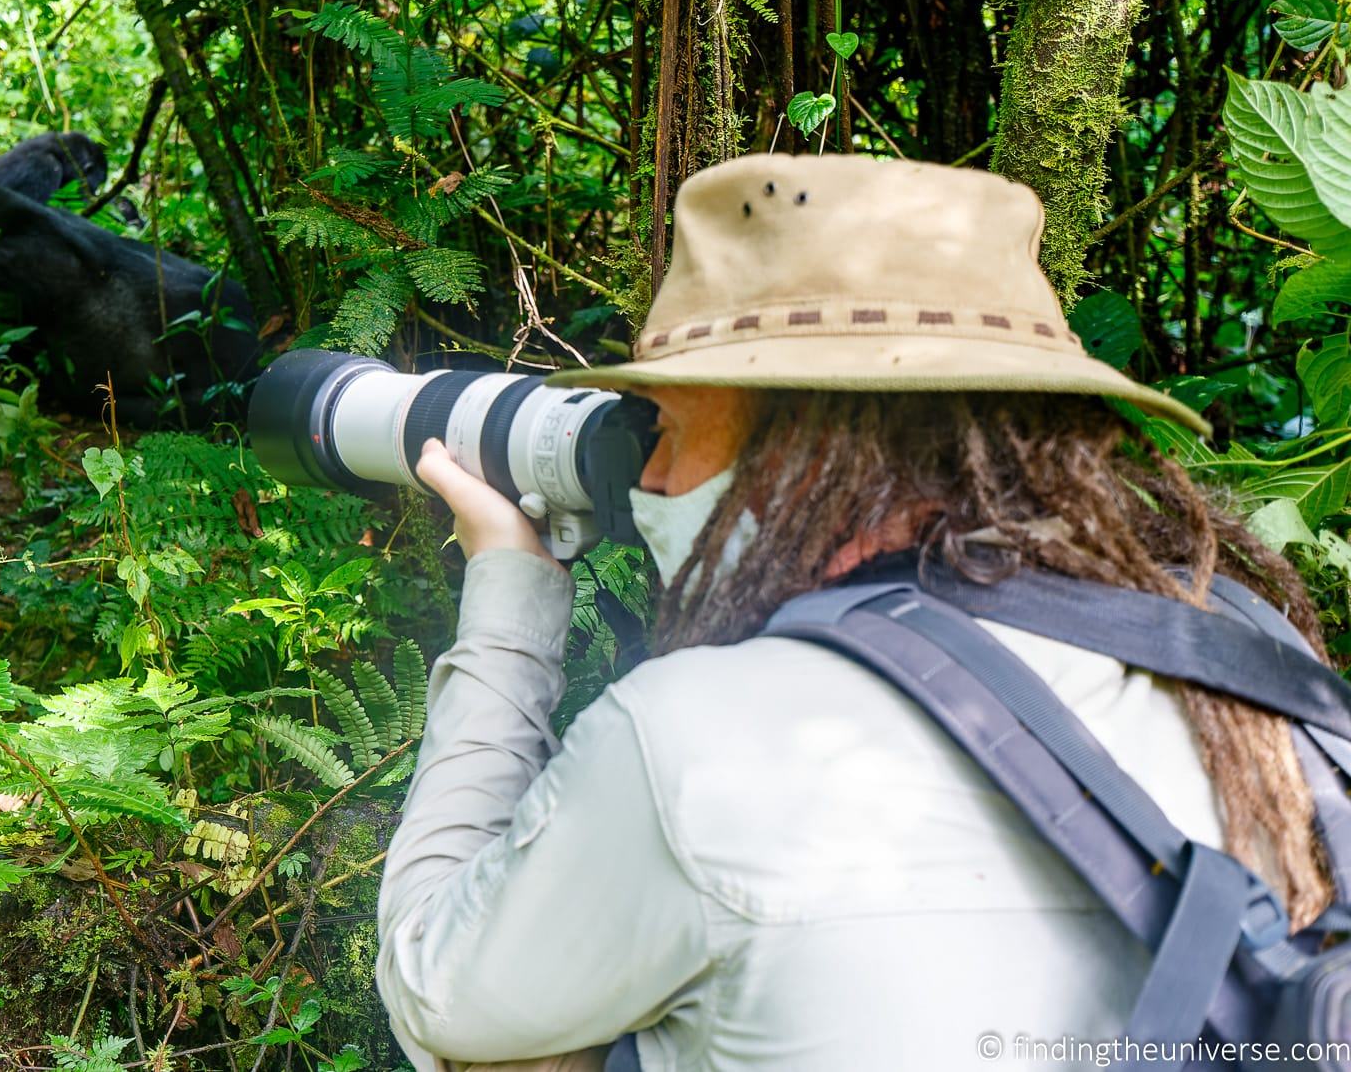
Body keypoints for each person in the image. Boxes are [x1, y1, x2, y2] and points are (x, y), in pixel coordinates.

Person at [376, 154, 1336, 1071]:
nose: (651, 477)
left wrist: (507, 586)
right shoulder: (1252, 663)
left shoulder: (698, 733)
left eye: (663, 428)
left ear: (802, 439)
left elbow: (436, 984)